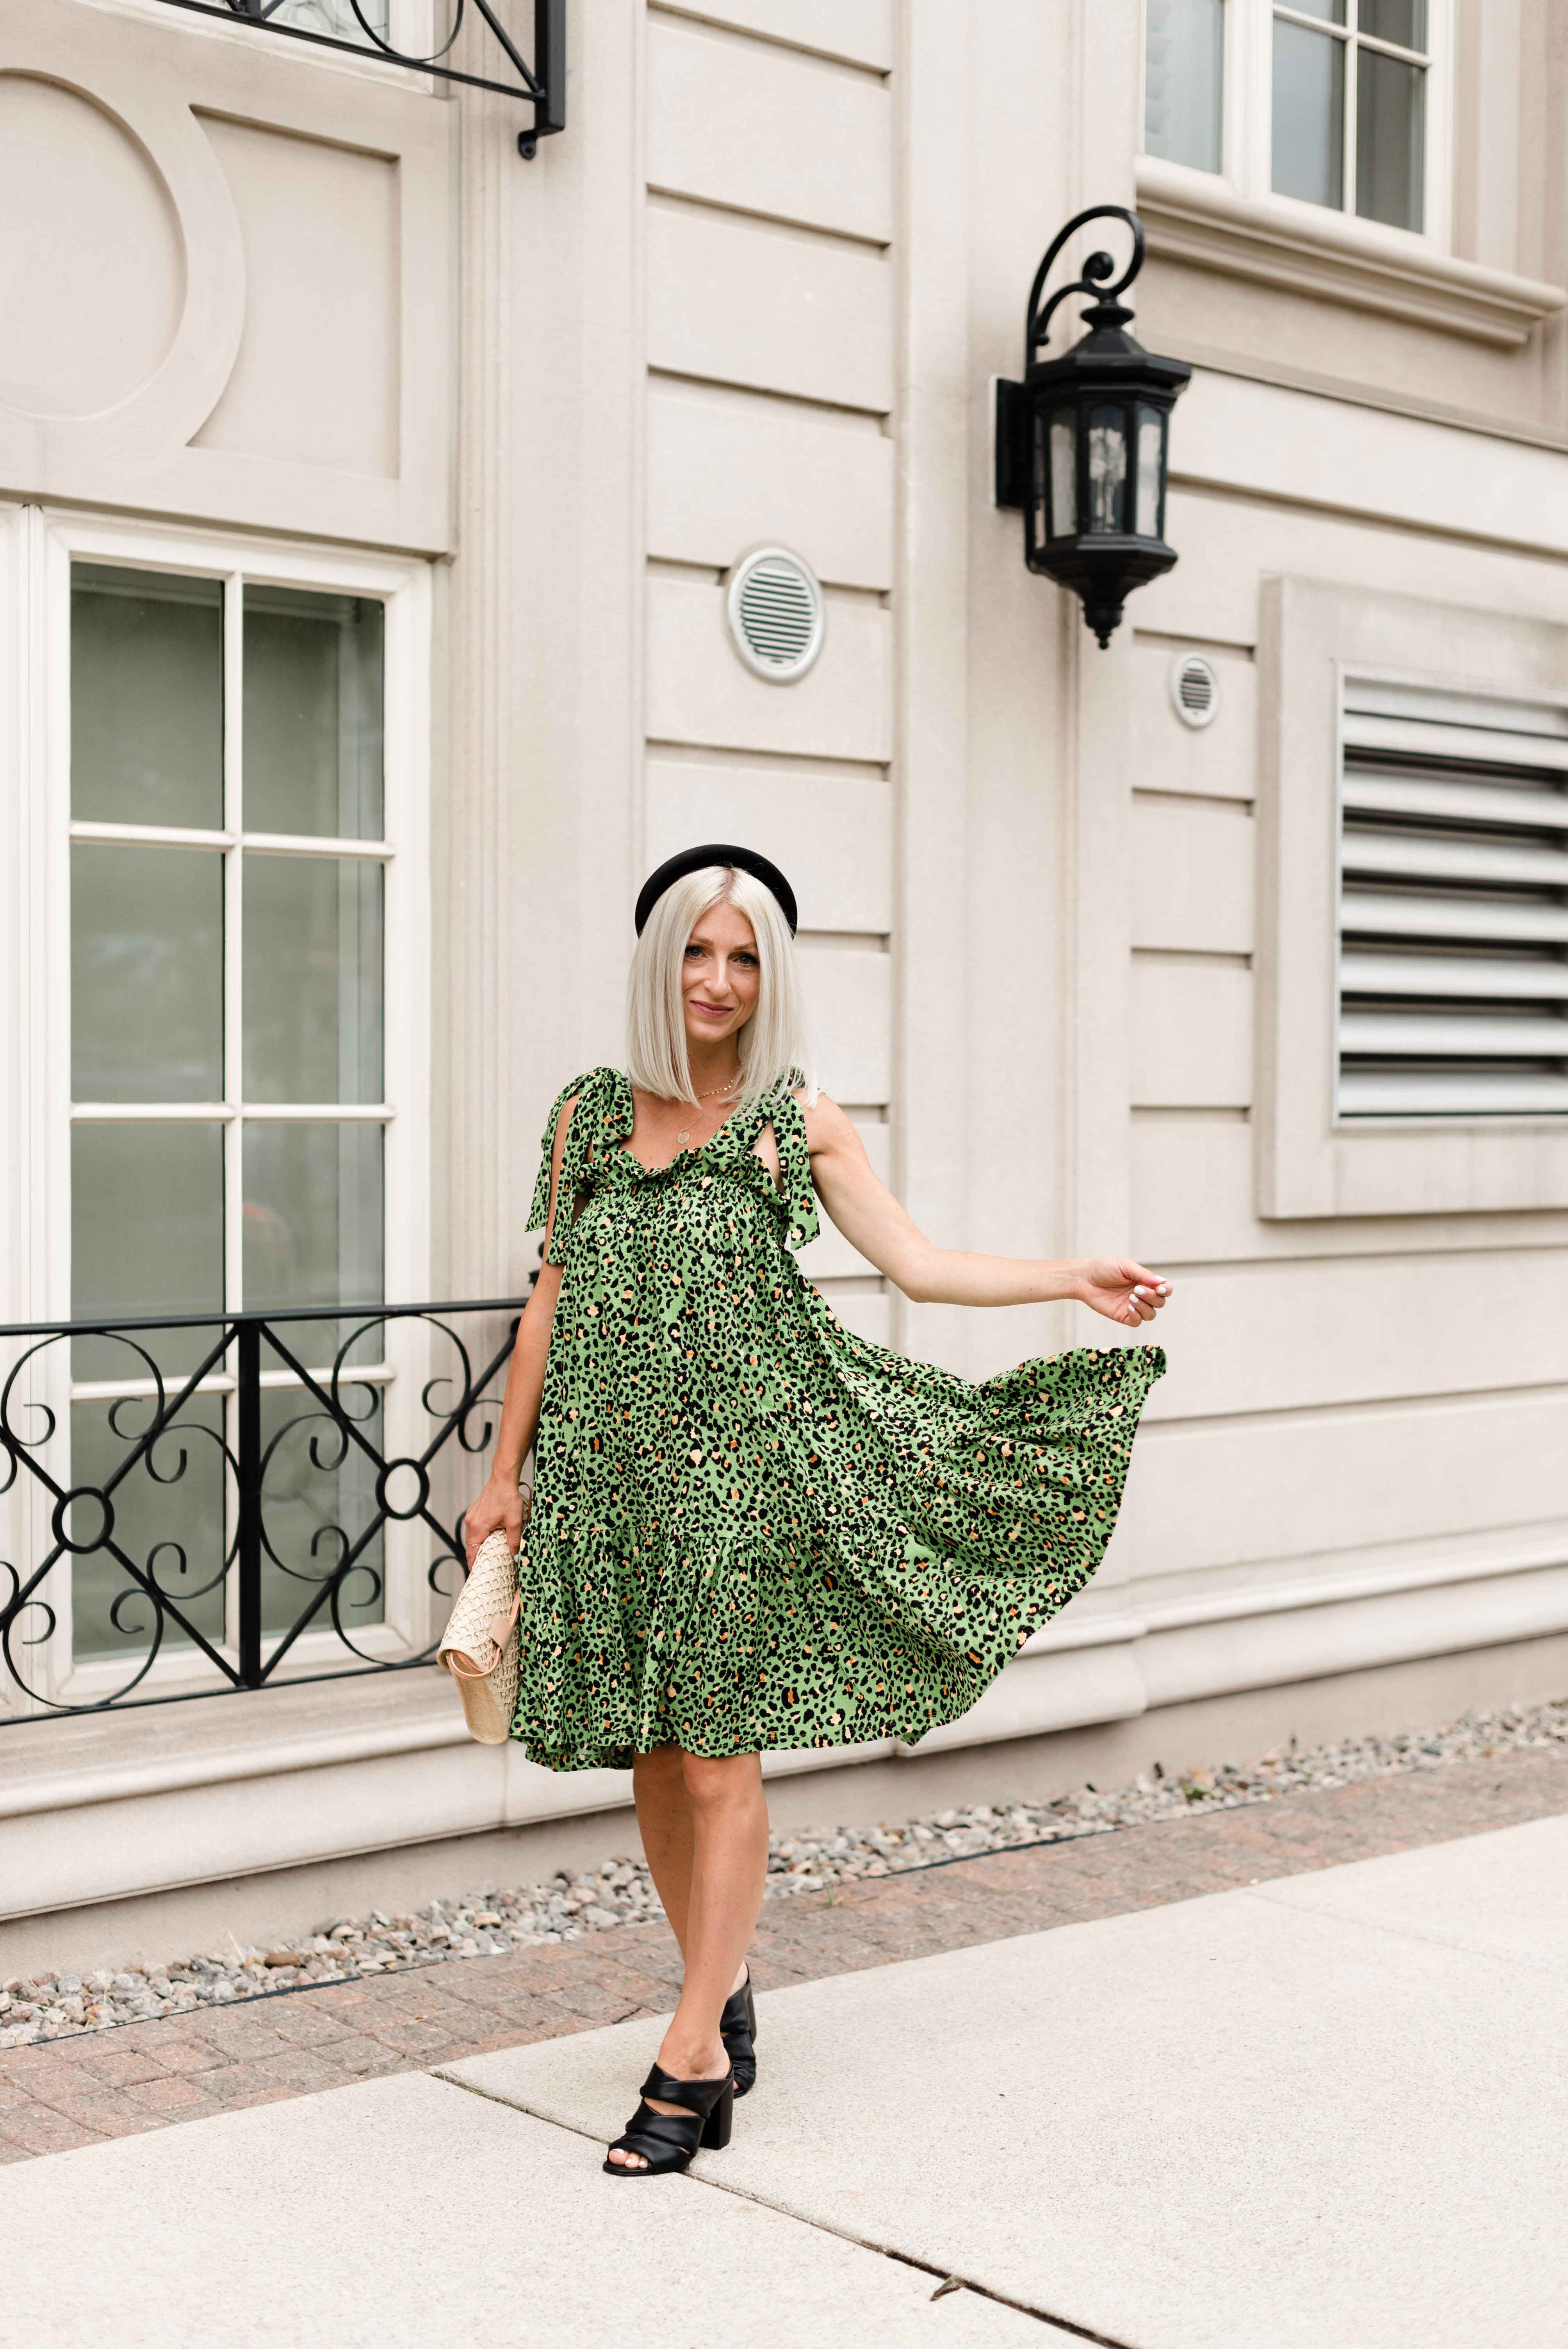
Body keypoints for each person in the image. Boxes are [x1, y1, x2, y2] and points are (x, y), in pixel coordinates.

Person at [463, 843, 1169, 2176]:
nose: (720, 980)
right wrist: (504, 1477)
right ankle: (714, 1984)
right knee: (656, 1757)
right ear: (657, 960)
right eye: (697, 951)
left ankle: (688, 2055)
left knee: (720, 1753)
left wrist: (1070, 1277)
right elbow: (548, 1301)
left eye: (745, 958)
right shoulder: (585, 1118)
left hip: (743, 1478)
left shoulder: (795, 1119)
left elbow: (919, 1264)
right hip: (610, 1484)